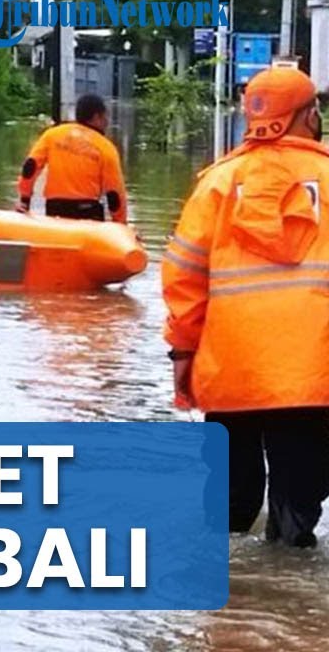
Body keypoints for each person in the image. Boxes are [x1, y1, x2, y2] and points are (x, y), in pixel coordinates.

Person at [163, 65, 329, 548]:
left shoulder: (217, 183)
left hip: (230, 372)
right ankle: (284, 611)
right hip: (311, 380)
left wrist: (182, 355)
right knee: (296, 514)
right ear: (307, 115)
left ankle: (229, 610)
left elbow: (183, 277)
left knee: (229, 512)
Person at [16, 93, 128, 223]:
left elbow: (30, 167)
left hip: (55, 208)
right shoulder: (106, 147)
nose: (107, 122)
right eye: (105, 116)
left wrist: (25, 200)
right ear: (97, 116)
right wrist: (121, 224)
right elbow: (114, 193)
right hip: (87, 211)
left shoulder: (52, 135)